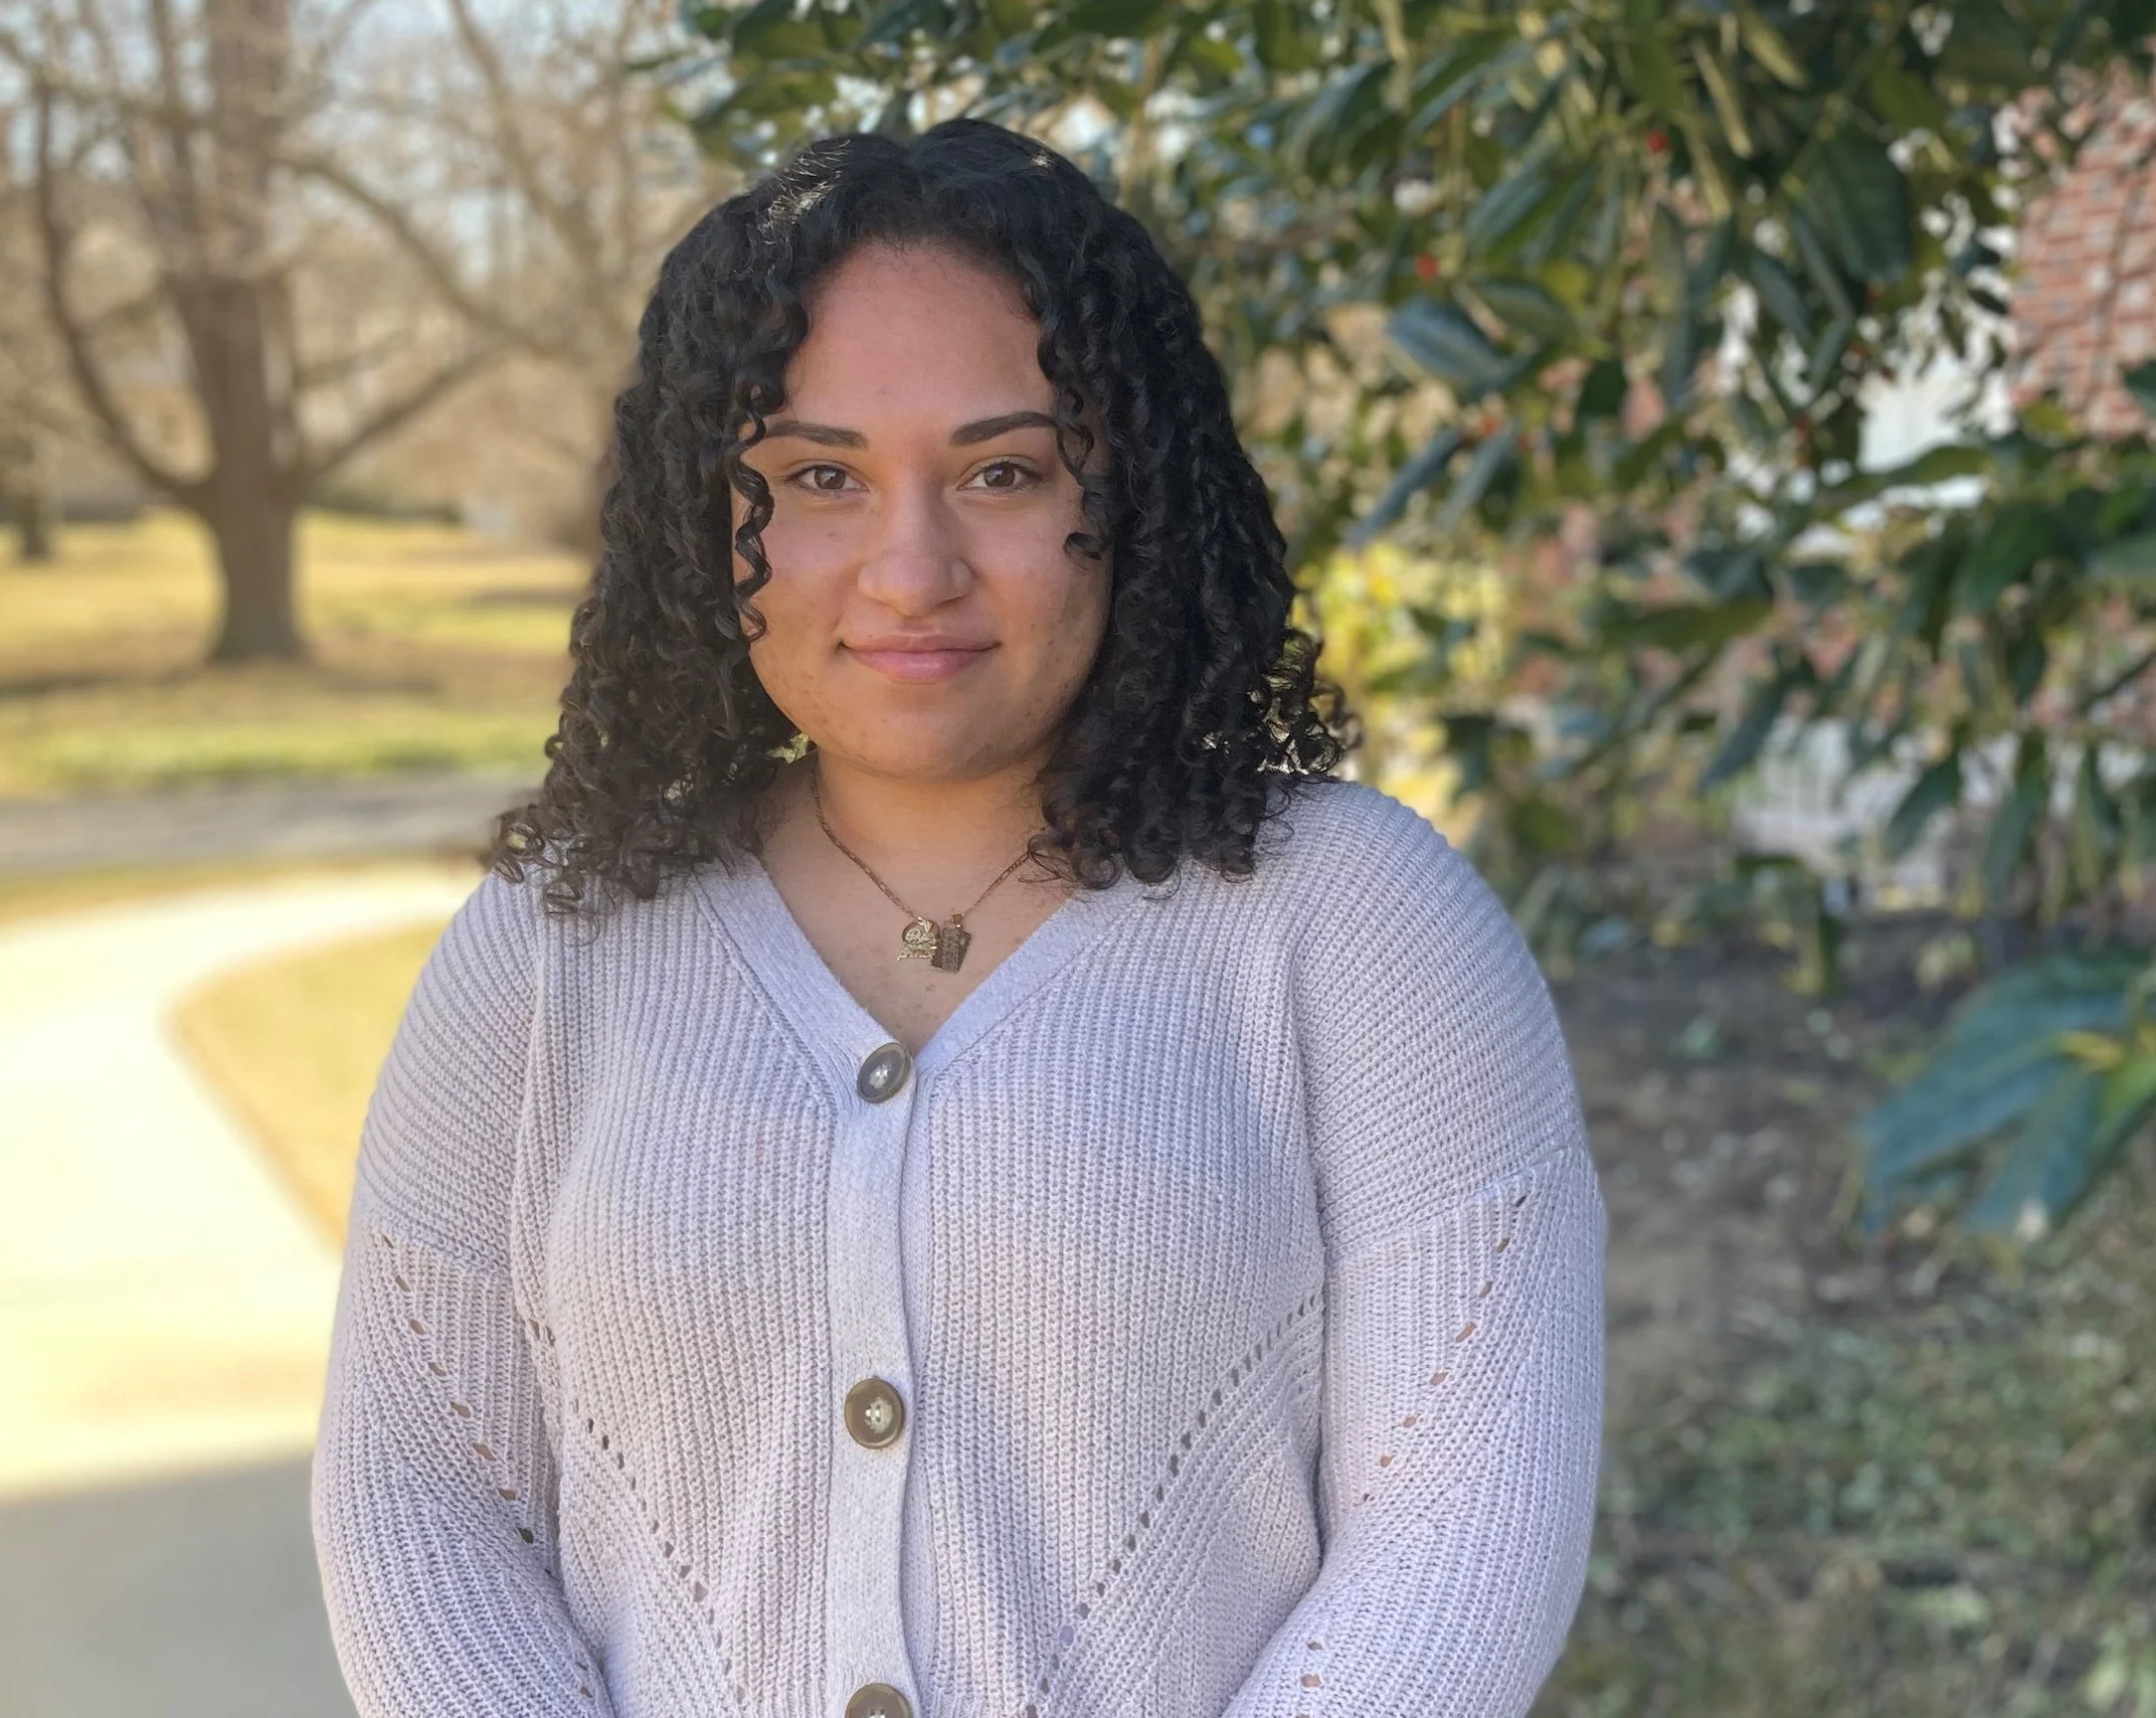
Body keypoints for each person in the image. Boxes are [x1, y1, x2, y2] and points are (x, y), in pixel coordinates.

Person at [309, 116, 1608, 1718]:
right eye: (817, 477)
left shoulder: (1359, 930)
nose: (909, 568)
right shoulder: (551, 947)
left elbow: (1457, 1536)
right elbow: (423, 1502)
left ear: (1128, 496)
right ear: (702, 523)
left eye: (1004, 471)